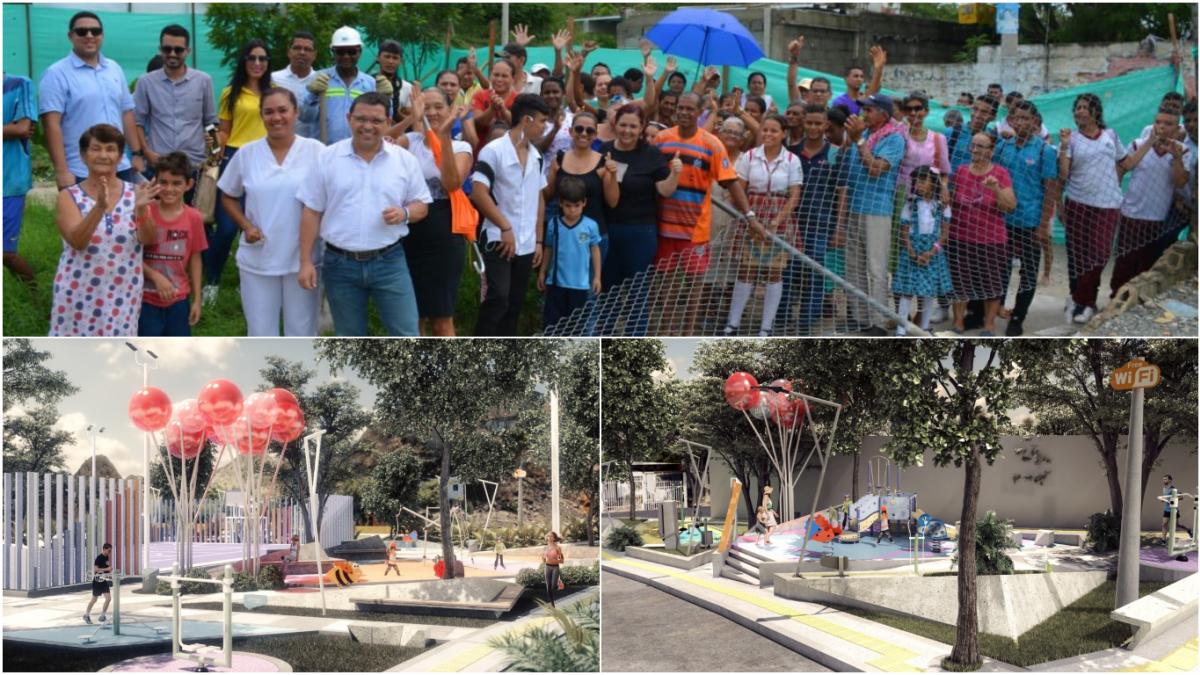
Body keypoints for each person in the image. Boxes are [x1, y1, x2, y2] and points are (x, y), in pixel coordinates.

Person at [297, 92, 432, 336]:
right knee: (351, 339)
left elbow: (422, 205)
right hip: (340, 264)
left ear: (388, 123)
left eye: (376, 120)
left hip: (389, 261)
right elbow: (311, 211)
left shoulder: (404, 160)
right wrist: (305, 260)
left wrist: (404, 213)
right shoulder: (327, 158)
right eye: (361, 119)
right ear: (349, 118)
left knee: (406, 335)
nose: (367, 126)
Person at [217, 87, 324, 336]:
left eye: (283, 110)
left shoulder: (317, 152)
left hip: (303, 258)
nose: (276, 117)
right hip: (259, 257)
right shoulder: (247, 153)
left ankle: (301, 376)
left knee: (302, 331)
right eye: (269, 112)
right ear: (261, 116)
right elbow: (228, 197)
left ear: (296, 112)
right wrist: (246, 226)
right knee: (261, 332)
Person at [654, 92, 758, 335]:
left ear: (700, 111)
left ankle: (689, 332)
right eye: (681, 107)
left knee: (695, 285)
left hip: (696, 230)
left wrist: (750, 215)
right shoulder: (661, 139)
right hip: (664, 226)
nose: (683, 112)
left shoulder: (712, 144)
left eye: (690, 109)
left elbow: (731, 182)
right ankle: (667, 331)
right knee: (666, 285)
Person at [52, 125, 159, 336]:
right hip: (78, 291)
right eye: (96, 149)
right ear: (83, 156)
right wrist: (99, 207)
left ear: (120, 157)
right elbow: (77, 241)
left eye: (110, 149)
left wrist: (141, 209)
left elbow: (147, 239)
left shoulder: (137, 193)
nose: (103, 155)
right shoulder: (69, 196)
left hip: (122, 292)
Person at [394, 86, 474, 337]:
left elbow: (451, 183)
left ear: (451, 109)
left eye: (439, 106)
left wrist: (444, 136)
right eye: (426, 106)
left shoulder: (462, 148)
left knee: (441, 318)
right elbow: (378, 143)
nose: (433, 112)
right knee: (411, 317)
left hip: (444, 235)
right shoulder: (410, 141)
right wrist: (411, 119)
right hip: (408, 232)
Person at [471, 93, 550, 336]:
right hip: (498, 238)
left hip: (526, 243)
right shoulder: (493, 151)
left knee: (514, 304)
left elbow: (539, 199)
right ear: (526, 120)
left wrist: (538, 241)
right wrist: (505, 228)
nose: (544, 127)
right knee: (498, 299)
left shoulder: (536, 156)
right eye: (541, 121)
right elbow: (478, 193)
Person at [40, 11, 146, 191]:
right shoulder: (56, 74)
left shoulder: (114, 69)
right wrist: (61, 170)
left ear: (102, 36)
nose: (89, 36)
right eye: (82, 31)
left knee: (127, 218)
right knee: (86, 219)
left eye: (95, 31)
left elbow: (126, 113)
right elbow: (51, 125)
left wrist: (136, 153)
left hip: (119, 165)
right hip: (81, 169)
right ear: (70, 36)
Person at [725, 115, 803, 336]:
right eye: (765, 130)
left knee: (774, 273)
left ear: (784, 134)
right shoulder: (749, 157)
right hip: (751, 214)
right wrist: (751, 218)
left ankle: (766, 326)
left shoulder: (791, 160)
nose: (768, 134)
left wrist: (777, 221)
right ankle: (733, 323)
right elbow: (738, 189)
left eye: (774, 131)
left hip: (779, 218)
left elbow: (794, 196)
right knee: (746, 270)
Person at [206, 40, 271, 305]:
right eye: (252, 58)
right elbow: (224, 130)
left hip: (267, 159)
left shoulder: (275, 91)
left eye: (263, 59)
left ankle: (252, 280)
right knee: (227, 227)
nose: (257, 63)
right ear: (244, 61)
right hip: (234, 158)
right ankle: (211, 281)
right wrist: (213, 143)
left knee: (261, 224)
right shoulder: (231, 93)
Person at [778, 105, 846, 335]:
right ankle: (782, 317)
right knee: (787, 271)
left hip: (821, 224)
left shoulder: (836, 153)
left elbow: (842, 193)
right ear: (803, 124)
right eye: (810, 123)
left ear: (826, 125)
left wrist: (839, 227)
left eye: (819, 123)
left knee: (816, 272)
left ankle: (807, 320)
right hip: (792, 223)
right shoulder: (790, 152)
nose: (814, 128)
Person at [1058, 93, 1126, 324]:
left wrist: (1148, 143)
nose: (1079, 111)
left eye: (1084, 107)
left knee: (1099, 254)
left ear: (1095, 111)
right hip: (1078, 203)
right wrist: (1065, 146)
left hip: (1107, 205)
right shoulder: (1072, 139)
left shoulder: (1110, 136)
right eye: (1076, 108)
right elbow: (1064, 174)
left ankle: (1078, 298)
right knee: (1080, 256)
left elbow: (1124, 162)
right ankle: (1087, 303)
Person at [1109, 107, 1191, 297]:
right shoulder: (1139, 145)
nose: (1161, 127)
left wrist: (1176, 157)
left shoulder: (1182, 151)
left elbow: (1180, 181)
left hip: (1157, 217)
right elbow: (1124, 168)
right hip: (1132, 213)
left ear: (1177, 128)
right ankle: (1116, 298)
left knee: (1147, 264)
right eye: (1158, 122)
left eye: (1168, 124)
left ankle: (1137, 302)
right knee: (1124, 262)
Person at [993, 100, 1059, 336]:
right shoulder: (1002, 147)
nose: (1021, 122)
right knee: (1000, 268)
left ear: (1035, 123)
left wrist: (1043, 225)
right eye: (1016, 118)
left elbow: (1051, 189)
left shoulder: (1044, 151)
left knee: (1028, 273)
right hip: (1003, 220)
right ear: (1010, 120)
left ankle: (1018, 319)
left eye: (1026, 118)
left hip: (1031, 222)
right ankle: (996, 309)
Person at [842, 94, 906, 334]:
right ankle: (860, 318)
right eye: (863, 110)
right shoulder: (865, 135)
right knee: (853, 267)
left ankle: (879, 322)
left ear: (883, 114)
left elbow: (876, 169)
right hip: (855, 208)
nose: (864, 114)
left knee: (876, 269)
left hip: (877, 211)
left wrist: (858, 143)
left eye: (869, 110)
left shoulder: (894, 139)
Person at [599, 105, 679, 292]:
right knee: (608, 290)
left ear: (642, 127)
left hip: (641, 230)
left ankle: (637, 322)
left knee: (637, 290)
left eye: (633, 126)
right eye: (623, 125)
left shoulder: (651, 154)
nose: (627, 131)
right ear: (615, 124)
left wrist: (675, 173)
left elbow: (665, 190)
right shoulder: (604, 150)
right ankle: (607, 323)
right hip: (608, 228)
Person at [133, 24, 217, 200]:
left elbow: (210, 122)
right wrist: (146, 153)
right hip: (159, 165)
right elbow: (137, 122)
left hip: (193, 165)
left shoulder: (203, 81)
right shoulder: (146, 83)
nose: (172, 54)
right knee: (156, 219)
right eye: (167, 49)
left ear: (188, 51)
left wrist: (215, 159)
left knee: (194, 219)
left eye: (178, 49)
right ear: (160, 50)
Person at [949, 133, 1015, 335]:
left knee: (992, 284)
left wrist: (995, 188)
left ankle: (989, 325)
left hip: (991, 239)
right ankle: (958, 322)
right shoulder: (960, 171)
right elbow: (950, 201)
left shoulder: (1001, 173)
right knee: (960, 282)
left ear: (991, 151)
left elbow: (1010, 206)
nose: (975, 150)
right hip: (961, 237)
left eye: (981, 146)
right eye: (973, 145)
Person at [139, 152, 206, 336]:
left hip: (179, 299)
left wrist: (197, 299)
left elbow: (195, 257)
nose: (169, 189)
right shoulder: (144, 210)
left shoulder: (194, 217)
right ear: (155, 182)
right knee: (148, 352)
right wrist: (154, 276)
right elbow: (130, 254)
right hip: (145, 300)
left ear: (188, 185)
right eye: (164, 182)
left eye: (176, 183)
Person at [547, 111, 617, 265]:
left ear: (596, 134)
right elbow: (547, 195)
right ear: (571, 131)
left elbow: (612, 202)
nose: (583, 134)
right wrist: (552, 173)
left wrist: (613, 175)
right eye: (579, 129)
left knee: (589, 287)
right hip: (563, 233)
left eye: (590, 130)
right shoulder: (559, 159)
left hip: (593, 237)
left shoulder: (603, 162)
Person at [892, 166, 952, 336]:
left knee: (928, 291)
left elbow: (944, 233)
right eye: (917, 180)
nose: (919, 183)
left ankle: (924, 327)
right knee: (906, 291)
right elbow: (904, 230)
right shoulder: (911, 204)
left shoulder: (942, 205)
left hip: (932, 253)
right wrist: (911, 251)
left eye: (924, 180)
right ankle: (901, 329)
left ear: (934, 184)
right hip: (912, 250)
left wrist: (931, 252)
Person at [539, 175, 602, 329]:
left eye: (577, 205)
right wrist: (542, 272)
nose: (572, 210)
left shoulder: (590, 226)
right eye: (568, 206)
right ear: (560, 203)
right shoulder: (554, 224)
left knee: (575, 328)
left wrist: (597, 277)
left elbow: (595, 251)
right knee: (552, 326)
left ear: (584, 203)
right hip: (556, 285)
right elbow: (548, 248)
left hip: (579, 286)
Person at [302, 26, 382, 145]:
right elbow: (305, 117)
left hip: (356, 151)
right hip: (324, 151)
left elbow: (379, 119)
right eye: (340, 52)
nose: (346, 56)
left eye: (351, 52)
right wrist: (312, 95)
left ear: (359, 52)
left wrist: (386, 98)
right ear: (332, 52)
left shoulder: (369, 83)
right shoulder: (319, 78)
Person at [3, 72, 36, 283]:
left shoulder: (19, 84)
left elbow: (23, 127)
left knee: (6, 253)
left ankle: (34, 293)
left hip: (9, 181)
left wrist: (16, 129)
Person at [272, 31, 318, 139]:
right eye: (297, 48)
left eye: (307, 49)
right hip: (279, 144)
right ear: (289, 52)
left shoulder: (320, 81)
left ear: (314, 55)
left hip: (311, 147)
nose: (302, 52)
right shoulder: (274, 79)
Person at [467, 59, 517, 151]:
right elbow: (478, 124)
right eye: (496, 75)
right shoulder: (479, 95)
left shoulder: (519, 99)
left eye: (504, 76)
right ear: (490, 76)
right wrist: (491, 109)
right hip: (481, 151)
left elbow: (518, 124)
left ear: (513, 79)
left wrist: (504, 111)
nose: (499, 79)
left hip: (511, 152)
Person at [831, 46, 886, 116]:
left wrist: (878, 70)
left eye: (861, 77)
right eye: (855, 76)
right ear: (846, 79)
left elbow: (872, 92)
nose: (859, 79)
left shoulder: (866, 98)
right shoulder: (840, 101)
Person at [949, 95, 998, 172]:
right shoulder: (953, 132)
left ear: (993, 117)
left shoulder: (993, 139)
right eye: (975, 109)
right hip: (953, 182)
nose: (977, 115)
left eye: (984, 112)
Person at [375, 40, 413, 126]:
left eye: (395, 58)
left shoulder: (407, 87)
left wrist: (397, 113)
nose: (391, 61)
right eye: (387, 57)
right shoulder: (368, 83)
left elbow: (413, 120)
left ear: (401, 61)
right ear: (378, 58)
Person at [83, 543, 114, 624]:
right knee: (94, 599)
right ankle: (86, 615)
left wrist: (109, 574)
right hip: (97, 581)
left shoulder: (107, 557)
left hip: (103, 580)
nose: (110, 552)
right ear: (104, 549)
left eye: (110, 551)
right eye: (109, 550)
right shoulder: (99, 558)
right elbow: (96, 569)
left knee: (108, 598)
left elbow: (104, 570)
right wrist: (107, 568)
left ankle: (102, 616)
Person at [1162, 475, 1194, 540]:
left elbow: (1181, 497)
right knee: (1164, 524)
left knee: (1177, 525)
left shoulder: (1173, 489)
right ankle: (1163, 540)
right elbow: (1164, 498)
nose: (1164, 481)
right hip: (1166, 510)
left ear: (1170, 480)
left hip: (1174, 510)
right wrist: (1163, 499)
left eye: (1166, 479)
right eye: (1163, 479)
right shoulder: (1164, 488)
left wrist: (1172, 500)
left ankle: (1188, 530)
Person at [542, 531, 565, 607]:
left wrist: (554, 560)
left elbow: (562, 560)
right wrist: (544, 559)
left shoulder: (557, 548)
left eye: (551, 536)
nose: (549, 537)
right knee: (548, 587)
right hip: (547, 567)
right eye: (548, 536)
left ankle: (559, 582)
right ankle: (552, 604)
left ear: (554, 538)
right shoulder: (545, 548)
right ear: (546, 538)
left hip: (555, 568)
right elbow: (543, 560)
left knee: (553, 587)